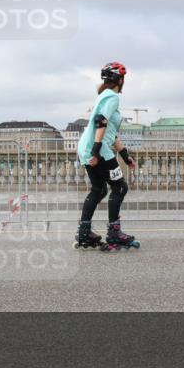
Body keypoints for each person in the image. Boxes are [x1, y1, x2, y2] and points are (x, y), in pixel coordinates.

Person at [74, 62, 140, 251]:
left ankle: (84, 233)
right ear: (120, 79)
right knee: (120, 187)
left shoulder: (103, 96)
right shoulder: (112, 97)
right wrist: (96, 152)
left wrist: (125, 155)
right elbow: (100, 121)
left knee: (99, 189)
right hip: (98, 149)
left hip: (87, 147)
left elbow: (109, 131)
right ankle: (114, 234)